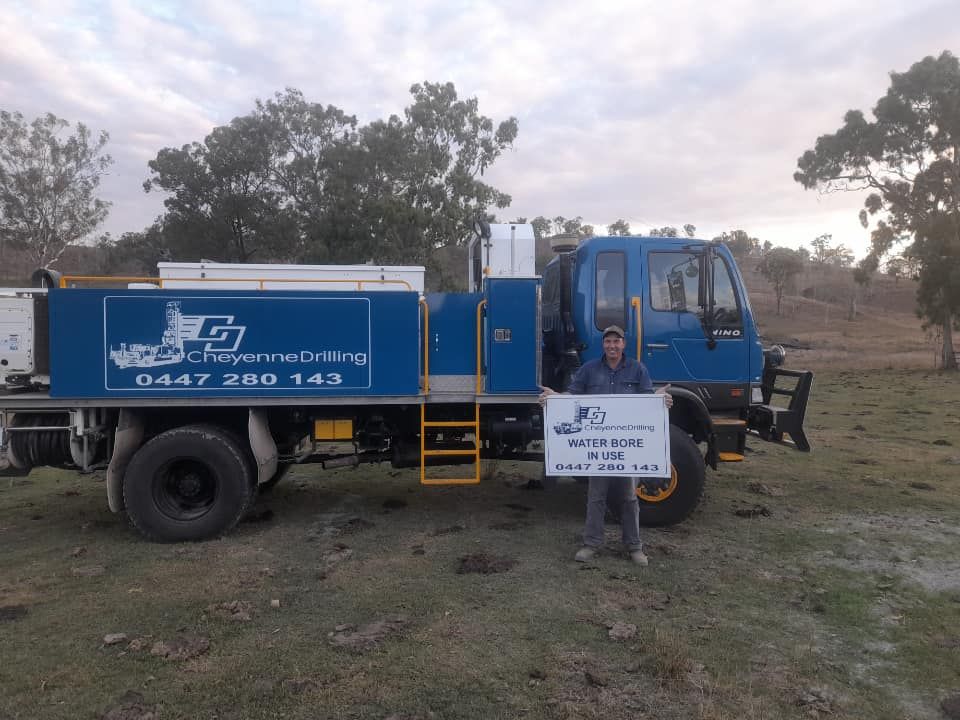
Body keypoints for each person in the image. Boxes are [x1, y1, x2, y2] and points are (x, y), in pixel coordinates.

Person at [539, 325, 673, 566]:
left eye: (617, 341)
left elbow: (647, 401)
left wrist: (660, 399)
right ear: (604, 345)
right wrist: (555, 398)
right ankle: (592, 544)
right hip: (598, 450)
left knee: (629, 497)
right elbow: (574, 397)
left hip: (626, 452)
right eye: (608, 342)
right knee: (596, 496)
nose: (612, 346)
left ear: (624, 344)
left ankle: (634, 546)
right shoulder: (589, 369)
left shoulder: (637, 369)